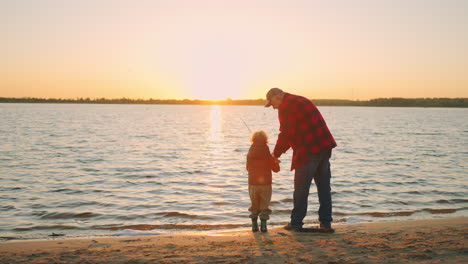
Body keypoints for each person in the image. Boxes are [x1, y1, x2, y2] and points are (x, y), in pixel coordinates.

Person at [265, 88, 337, 232]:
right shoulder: (301, 99)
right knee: (324, 187)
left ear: (278, 96)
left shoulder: (287, 106)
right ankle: (326, 223)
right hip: (324, 146)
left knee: (301, 188)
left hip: (309, 149)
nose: (273, 107)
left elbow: (286, 133)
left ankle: (296, 223)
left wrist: (275, 154)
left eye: (272, 103)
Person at [246, 130, 280, 232]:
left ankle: (254, 226)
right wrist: (276, 162)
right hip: (266, 183)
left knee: (254, 205)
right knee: (264, 205)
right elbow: (276, 169)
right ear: (266, 140)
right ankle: (264, 226)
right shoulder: (267, 152)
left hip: (253, 183)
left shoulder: (250, 153)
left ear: (253, 140)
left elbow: (248, 168)